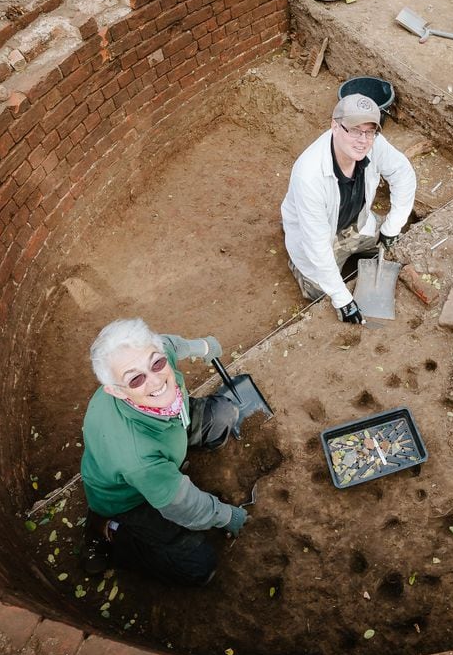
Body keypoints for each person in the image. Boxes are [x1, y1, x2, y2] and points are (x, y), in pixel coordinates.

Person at [79, 318, 247, 585]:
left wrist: (204, 347)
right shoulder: (138, 457)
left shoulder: (153, 355)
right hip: (128, 496)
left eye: (156, 363)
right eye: (135, 379)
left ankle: (172, 459)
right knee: (200, 567)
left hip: (169, 427)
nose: (156, 380)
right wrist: (227, 515)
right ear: (115, 391)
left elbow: (170, 344)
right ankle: (110, 531)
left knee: (223, 415)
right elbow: (184, 506)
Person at [281, 93, 417, 324]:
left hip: (357, 223)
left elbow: (403, 174)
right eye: (354, 130)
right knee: (322, 294)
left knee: (396, 242)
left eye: (369, 131)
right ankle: (301, 269)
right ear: (335, 126)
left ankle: (366, 242)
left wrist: (392, 226)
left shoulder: (374, 145)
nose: (362, 140)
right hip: (321, 237)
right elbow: (316, 244)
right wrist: (342, 297)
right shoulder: (310, 175)